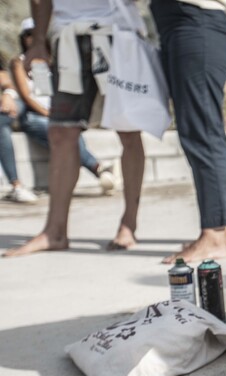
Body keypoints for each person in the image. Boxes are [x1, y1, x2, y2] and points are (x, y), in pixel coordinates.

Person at [3, 0, 146, 257]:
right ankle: (55, 232)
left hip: (117, 32)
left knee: (128, 129)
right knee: (61, 132)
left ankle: (129, 224)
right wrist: (38, 40)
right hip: (67, 35)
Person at [150, 0, 226, 264]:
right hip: (186, 25)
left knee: (201, 132)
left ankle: (214, 236)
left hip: (194, 22)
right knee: (206, 128)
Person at [10, 17, 119, 196]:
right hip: (35, 116)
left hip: (56, 112)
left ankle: (93, 173)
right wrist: (48, 113)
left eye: (36, 33)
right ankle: (98, 168)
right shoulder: (19, 62)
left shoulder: (52, 60)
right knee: (63, 135)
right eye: (28, 34)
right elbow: (26, 96)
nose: (33, 38)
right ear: (23, 38)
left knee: (71, 133)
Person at [0, 58, 38, 204]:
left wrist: (8, 94)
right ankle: (16, 185)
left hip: (6, 107)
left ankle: (16, 186)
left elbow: (6, 82)